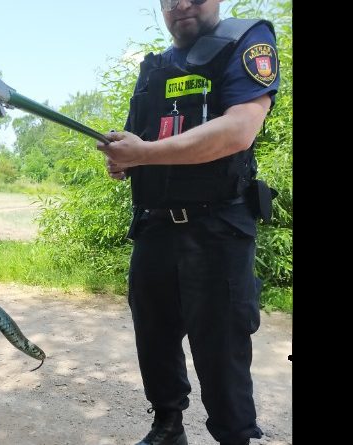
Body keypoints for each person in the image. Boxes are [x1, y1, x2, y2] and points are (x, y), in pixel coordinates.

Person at [97, 1, 281, 444]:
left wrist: (143, 153)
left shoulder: (246, 41)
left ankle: (234, 437)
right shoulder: (153, 68)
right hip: (155, 226)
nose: (181, 4)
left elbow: (238, 131)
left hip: (219, 228)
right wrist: (123, 159)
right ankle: (167, 427)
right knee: (154, 336)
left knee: (221, 346)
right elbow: (139, 142)